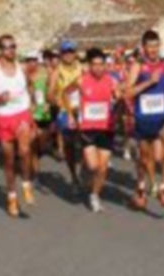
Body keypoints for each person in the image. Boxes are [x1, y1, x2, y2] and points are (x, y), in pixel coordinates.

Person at [0, 34, 35, 217]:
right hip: (4, 118)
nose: (10, 50)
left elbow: (29, 87)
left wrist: (33, 107)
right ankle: (11, 196)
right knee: (9, 162)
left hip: (22, 114)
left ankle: (26, 183)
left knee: (25, 150)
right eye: (6, 47)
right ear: (0, 50)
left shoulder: (22, 67)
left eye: (13, 46)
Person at [127, 30, 164, 210]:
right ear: (144, 48)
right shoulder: (138, 66)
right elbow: (128, 92)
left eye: (156, 46)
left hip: (163, 116)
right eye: (150, 46)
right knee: (146, 158)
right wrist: (148, 83)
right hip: (144, 118)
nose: (153, 50)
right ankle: (143, 187)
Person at [75, 48, 120, 212]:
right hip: (88, 128)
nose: (98, 68)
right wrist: (72, 116)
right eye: (94, 65)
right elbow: (65, 94)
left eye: (101, 64)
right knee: (93, 166)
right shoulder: (81, 81)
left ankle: (94, 195)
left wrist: (119, 99)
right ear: (89, 66)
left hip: (106, 127)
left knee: (103, 167)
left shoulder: (111, 81)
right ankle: (85, 168)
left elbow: (119, 96)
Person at [49, 40, 83, 194]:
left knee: (84, 142)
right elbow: (49, 94)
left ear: (75, 53)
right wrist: (56, 100)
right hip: (65, 110)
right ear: (61, 54)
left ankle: (83, 169)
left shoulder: (83, 69)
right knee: (69, 146)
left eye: (71, 51)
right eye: (65, 52)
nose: (69, 54)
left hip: (82, 109)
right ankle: (74, 176)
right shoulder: (57, 71)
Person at [26, 51, 50, 181]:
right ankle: (33, 171)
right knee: (32, 144)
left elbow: (51, 91)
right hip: (30, 113)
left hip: (44, 113)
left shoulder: (44, 74)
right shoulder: (23, 76)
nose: (31, 63)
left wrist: (48, 102)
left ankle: (37, 159)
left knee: (41, 144)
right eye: (29, 61)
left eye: (34, 60)